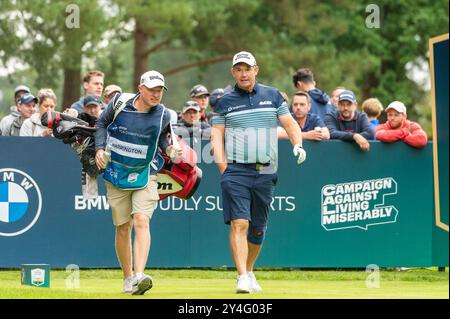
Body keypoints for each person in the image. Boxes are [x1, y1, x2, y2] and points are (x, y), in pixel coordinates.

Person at [211, 51, 306, 293]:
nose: (243, 73)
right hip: (236, 171)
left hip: (265, 171)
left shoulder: (272, 95)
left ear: (256, 70)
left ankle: (250, 270)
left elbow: (290, 124)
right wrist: (225, 170)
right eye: (238, 69)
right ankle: (242, 276)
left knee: (258, 229)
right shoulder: (225, 102)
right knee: (239, 222)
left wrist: (298, 144)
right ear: (233, 72)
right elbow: (216, 139)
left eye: (247, 68)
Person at [94, 70, 181, 295]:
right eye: (152, 89)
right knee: (123, 227)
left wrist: (172, 150)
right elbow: (101, 123)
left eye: (160, 90)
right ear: (140, 88)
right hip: (116, 171)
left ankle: (140, 275)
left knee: (142, 220)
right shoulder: (119, 102)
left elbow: (163, 141)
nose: (156, 94)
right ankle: (128, 276)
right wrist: (100, 148)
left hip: (146, 173)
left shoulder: (164, 114)